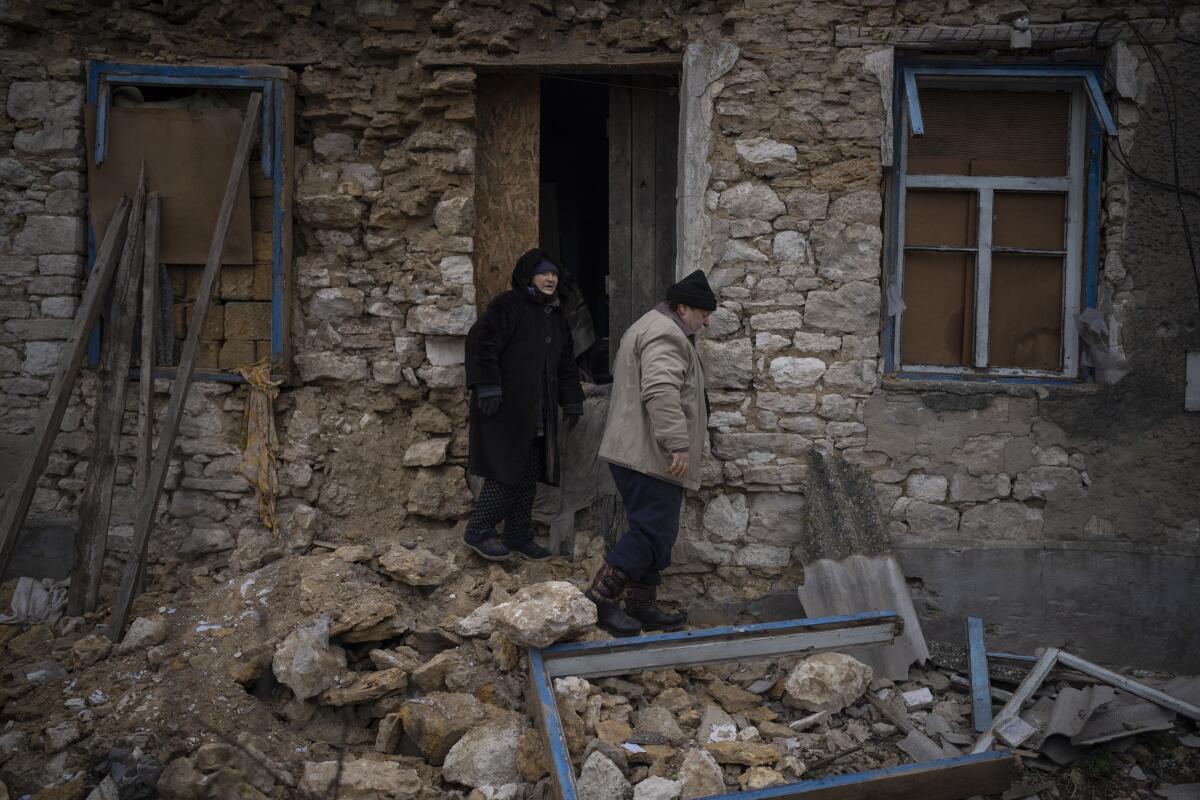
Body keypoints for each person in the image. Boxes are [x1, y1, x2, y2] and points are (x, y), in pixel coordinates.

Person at [589, 269, 716, 636]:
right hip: (649, 454)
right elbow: (660, 390)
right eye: (703, 314)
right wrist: (677, 443)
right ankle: (598, 601)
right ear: (683, 307)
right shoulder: (665, 333)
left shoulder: (651, 326)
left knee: (655, 530)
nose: (706, 323)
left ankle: (641, 606)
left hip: (640, 451)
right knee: (651, 532)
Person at [462, 249, 585, 562]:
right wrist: (487, 385)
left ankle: (518, 535)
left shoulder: (556, 317)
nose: (550, 279)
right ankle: (479, 529)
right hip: (504, 408)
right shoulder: (509, 305)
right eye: (543, 273)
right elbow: (481, 341)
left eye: (554, 274)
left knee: (528, 475)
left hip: (537, 413)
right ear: (529, 276)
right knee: (506, 472)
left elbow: (566, 364)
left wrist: (571, 401)